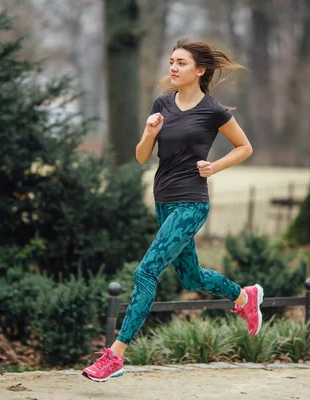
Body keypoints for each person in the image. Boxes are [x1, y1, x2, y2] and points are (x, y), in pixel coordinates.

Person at [82, 37, 264, 382]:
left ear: (200, 70)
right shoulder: (162, 104)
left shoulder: (214, 111)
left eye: (181, 63)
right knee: (191, 278)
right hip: (163, 200)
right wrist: (150, 133)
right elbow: (140, 157)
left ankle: (115, 356)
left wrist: (216, 166)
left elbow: (244, 147)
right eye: (171, 62)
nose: (173, 68)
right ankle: (245, 296)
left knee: (145, 272)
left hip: (191, 203)